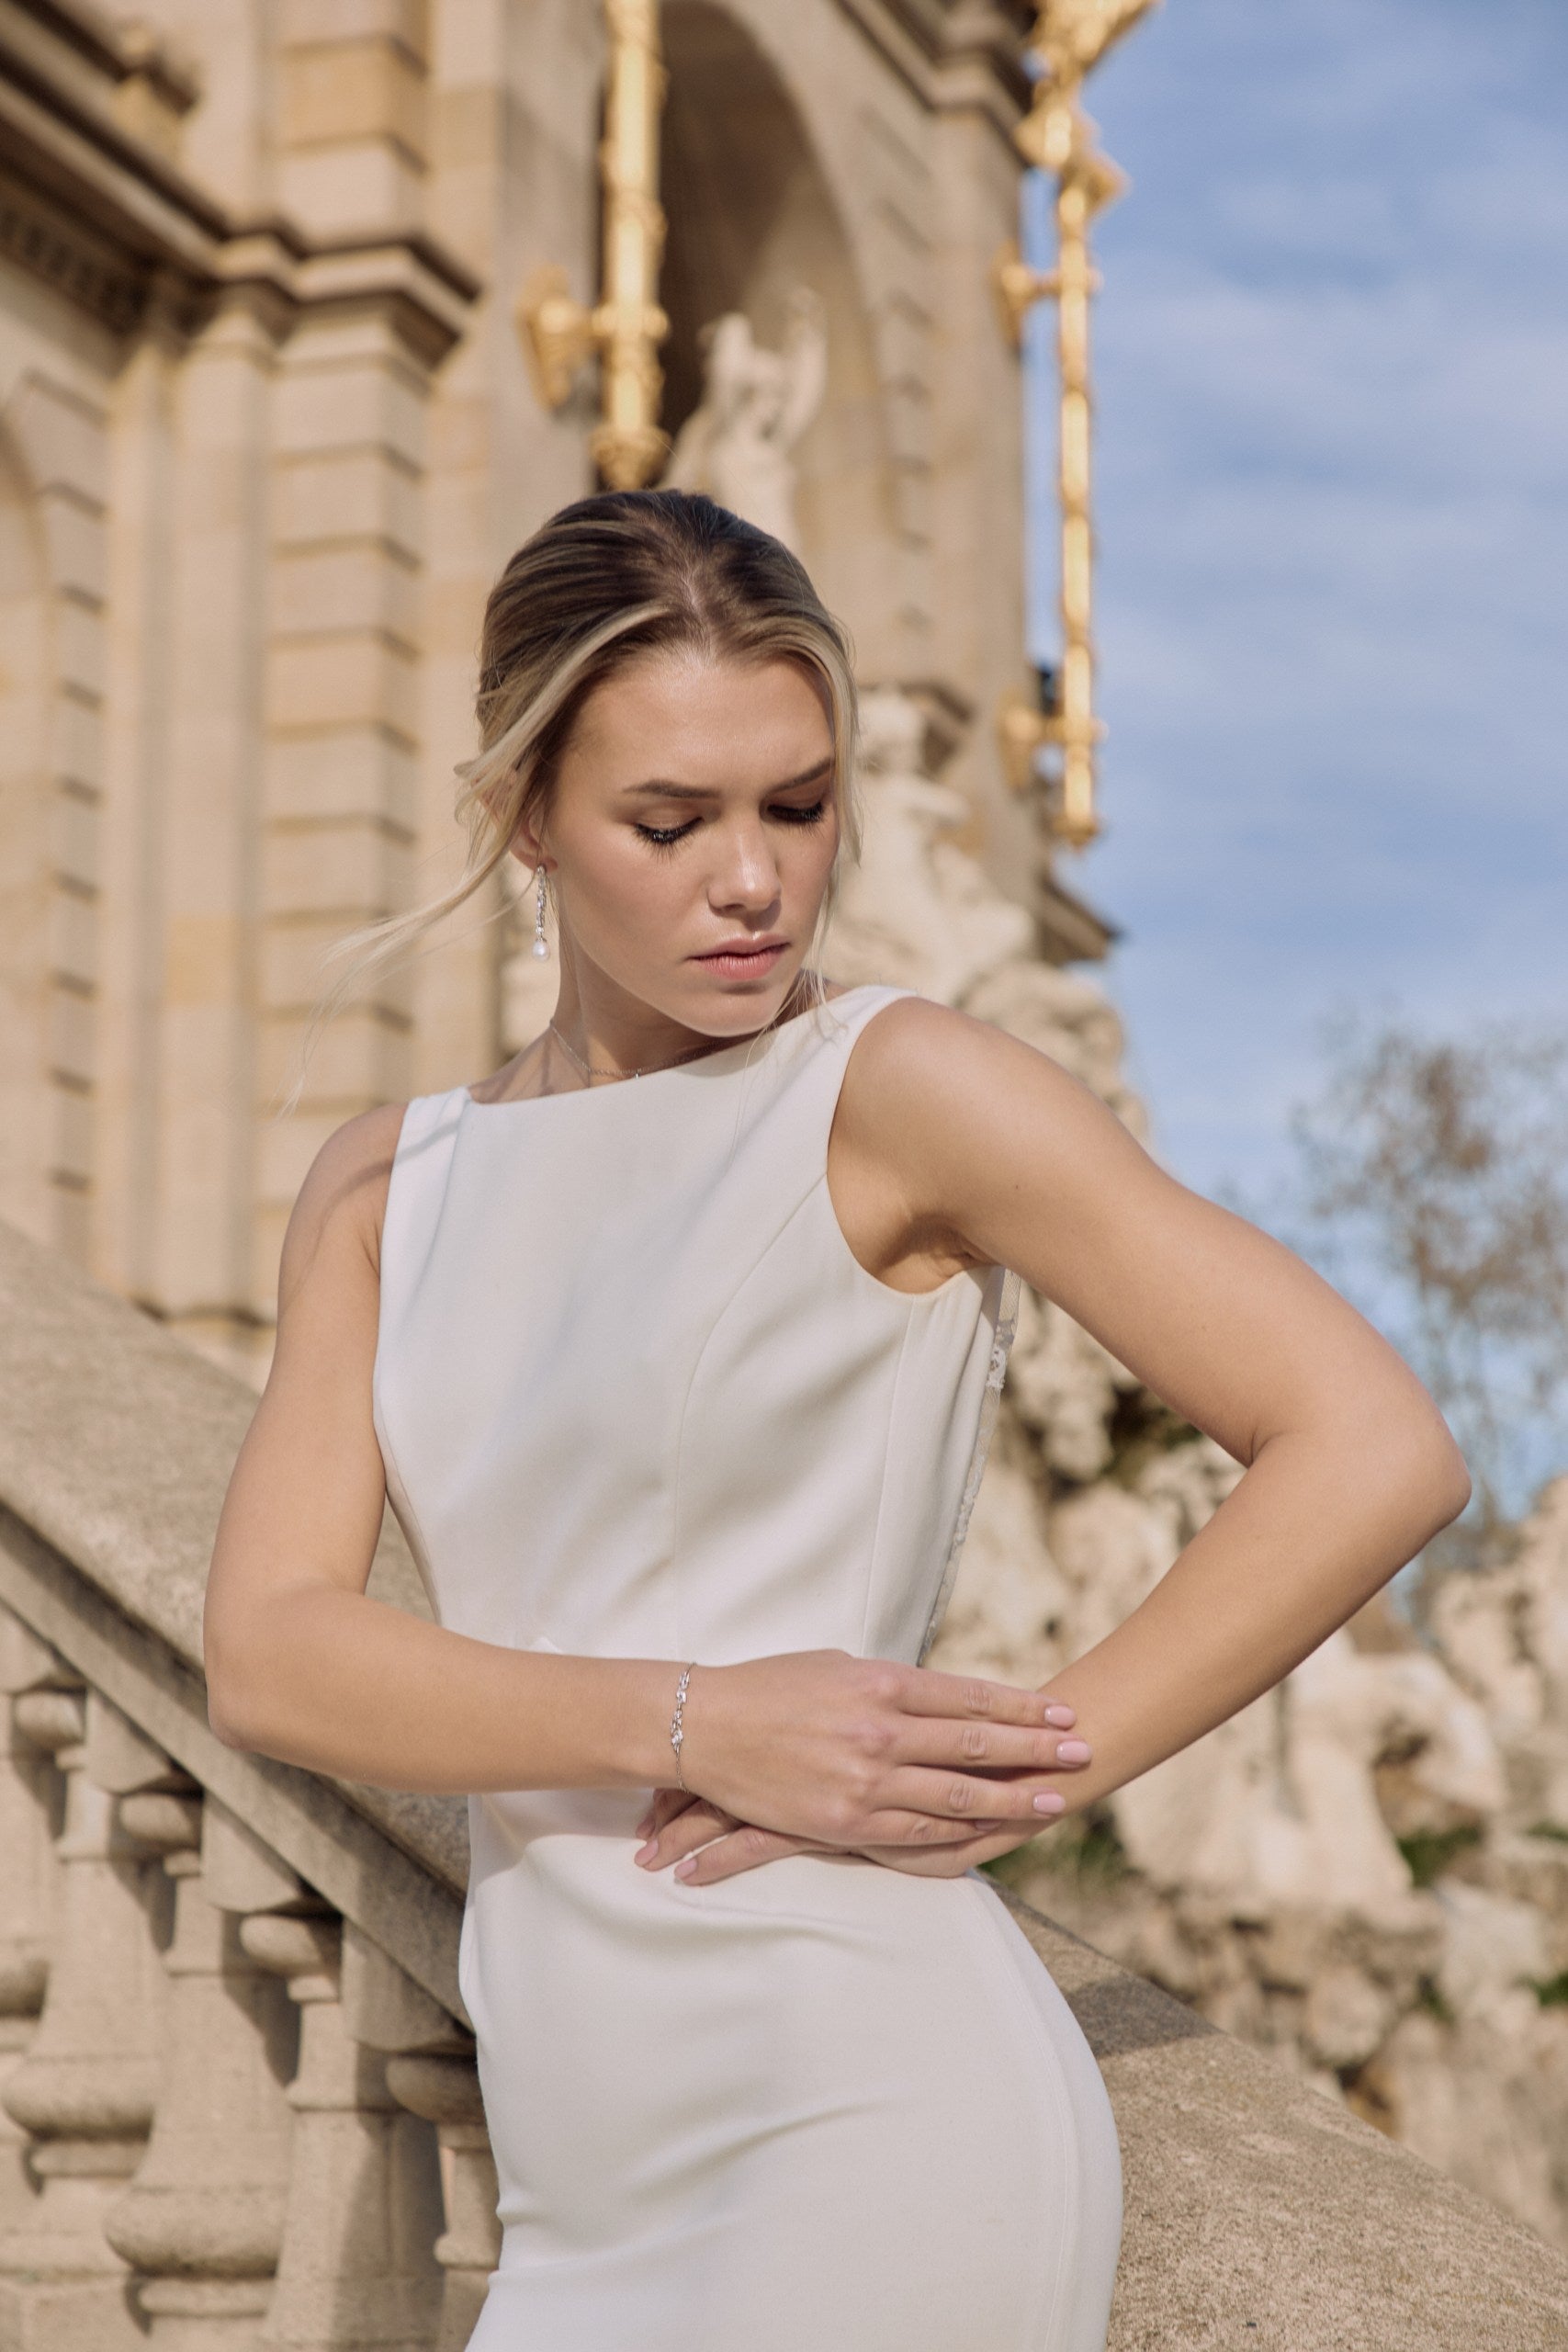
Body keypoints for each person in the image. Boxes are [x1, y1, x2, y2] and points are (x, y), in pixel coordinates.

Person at [203, 489, 1471, 2350]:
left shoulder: (893, 1090)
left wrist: (1030, 1762)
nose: (752, 879)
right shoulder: (390, 1186)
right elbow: (272, 1652)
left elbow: (1370, 1442)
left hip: (866, 2111)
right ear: (522, 813)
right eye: (670, 818)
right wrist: (700, 1717)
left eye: (796, 805)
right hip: (578, 2174)